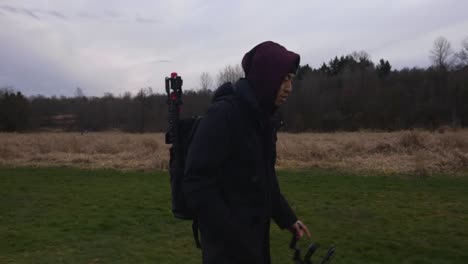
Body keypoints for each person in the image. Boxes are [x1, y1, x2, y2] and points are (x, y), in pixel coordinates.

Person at [183, 41, 310, 264]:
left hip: (254, 242)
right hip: (227, 250)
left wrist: (287, 218)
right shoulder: (223, 116)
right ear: (266, 78)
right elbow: (197, 184)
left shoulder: (263, 120)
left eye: (290, 79)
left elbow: (265, 180)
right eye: (284, 79)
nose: (289, 88)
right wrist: (234, 236)